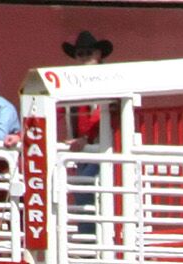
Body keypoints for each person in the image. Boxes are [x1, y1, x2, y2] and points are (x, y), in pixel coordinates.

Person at [60, 31, 113, 236]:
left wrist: (85, 138)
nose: (83, 57)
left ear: (98, 54)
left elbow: (102, 114)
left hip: (104, 149)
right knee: (83, 190)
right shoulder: (73, 83)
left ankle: (90, 242)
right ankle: (90, 241)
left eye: (88, 53)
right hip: (85, 150)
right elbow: (60, 112)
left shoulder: (107, 80)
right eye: (80, 53)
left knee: (83, 187)